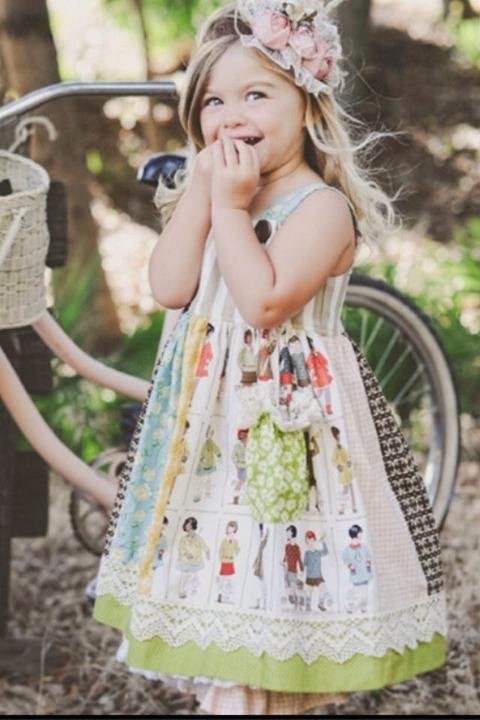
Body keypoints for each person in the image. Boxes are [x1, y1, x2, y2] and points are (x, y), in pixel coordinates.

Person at [93, 0, 447, 715]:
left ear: (307, 105)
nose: (232, 116)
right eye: (213, 102)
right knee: (219, 591)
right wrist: (204, 196)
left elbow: (263, 303)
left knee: (277, 597)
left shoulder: (320, 208)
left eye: (256, 95)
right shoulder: (217, 192)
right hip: (210, 438)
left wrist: (230, 209)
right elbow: (170, 287)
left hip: (286, 438)